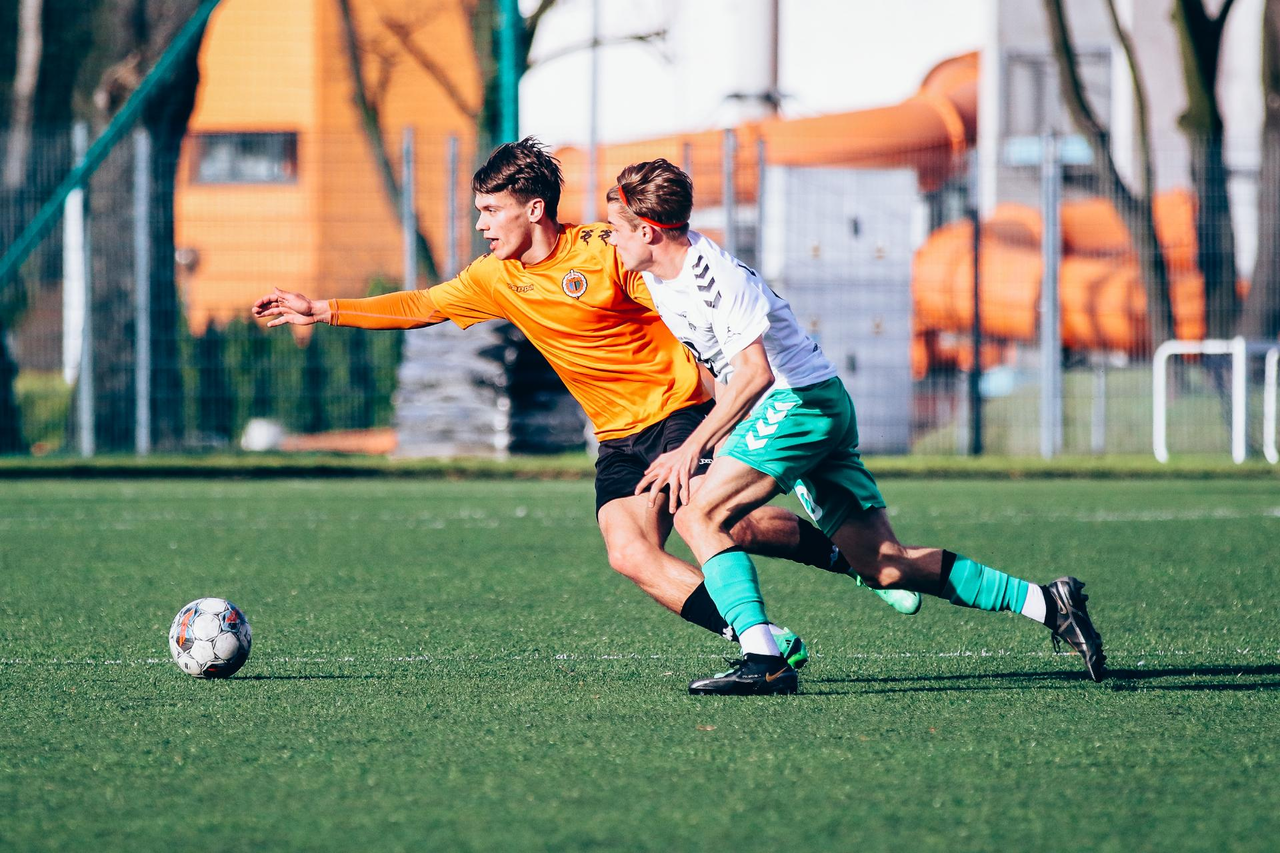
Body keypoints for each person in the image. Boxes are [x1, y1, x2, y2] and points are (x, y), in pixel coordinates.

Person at [252, 137, 919, 667]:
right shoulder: (494, 278)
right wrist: (322, 309)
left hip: (679, 413)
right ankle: (768, 633)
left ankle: (842, 569)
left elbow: (692, 300)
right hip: (617, 437)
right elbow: (423, 304)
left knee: (719, 522)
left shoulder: (605, 252)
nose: (481, 225)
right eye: (478, 211)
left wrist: (729, 399)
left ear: (533, 210)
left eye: (490, 211)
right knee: (630, 552)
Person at [605, 158, 1105, 695]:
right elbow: (723, 369)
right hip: (803, 408)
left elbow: (756, 373)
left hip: (800, 404)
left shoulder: (714, 278)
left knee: (698, 514)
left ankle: (764, 659)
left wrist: (693, 447)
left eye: (615, 229)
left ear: (648, 232)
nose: (610, 239)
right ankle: (1046, 602)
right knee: (884, 565)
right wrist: (726, 439)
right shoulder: (658, 277)